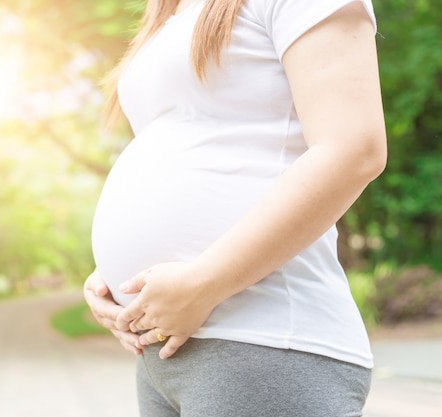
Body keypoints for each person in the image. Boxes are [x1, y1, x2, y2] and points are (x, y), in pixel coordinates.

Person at [84, 0, 387, 415]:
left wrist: (204, 282)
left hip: (265, 339)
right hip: (166, 356)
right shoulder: (170, 10)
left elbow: (354, 149)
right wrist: (115, 277)